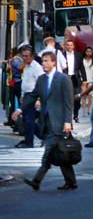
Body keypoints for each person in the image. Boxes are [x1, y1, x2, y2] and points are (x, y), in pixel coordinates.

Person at [17, 51, 77, 191]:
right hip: (47, 122)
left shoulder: (63, 79)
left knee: (48, 152)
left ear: (54, 62)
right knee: (60, 153)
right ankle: (71, 181)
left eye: (46, 61)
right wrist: (20, 109)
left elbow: (69, 102)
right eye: (43, 61)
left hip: (60, 122)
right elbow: (32, 96)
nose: (44, 64)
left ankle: (37, 181)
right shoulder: (42, 80)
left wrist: (68, 121)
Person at [15, 45, 43, 148]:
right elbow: (26, 81)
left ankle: (29, 142)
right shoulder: (26, 66)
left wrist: (38, 99)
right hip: (26, 95)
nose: (24, 58)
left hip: (33, 95)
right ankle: (44, 136)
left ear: (32, 56)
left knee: (29, 119)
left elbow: (40, 84)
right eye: (23, 56)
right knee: (27, 119)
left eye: (26, 56)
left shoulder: (37, 67)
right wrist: (22, 95)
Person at [60, 39, 82, 123]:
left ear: (73, 46)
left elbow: (81, 67)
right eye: (67, 45)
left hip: (75, 78)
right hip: (66, 77)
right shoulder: (62, 55)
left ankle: (76, 115)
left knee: (77, 98)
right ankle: (67, 116)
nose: (69, 47)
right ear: (65, 46)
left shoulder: (78, 55)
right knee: (67, 98)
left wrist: (84, 79)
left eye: (71, 45)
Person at [80, 46, 93, 118]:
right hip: (84, 79)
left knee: (90, 95)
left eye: (90, 51)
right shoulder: (82, 60)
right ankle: (84, 112)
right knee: (83, 96)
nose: (88, 53)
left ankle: (89, 109)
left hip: (91, 79)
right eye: (87, 51)